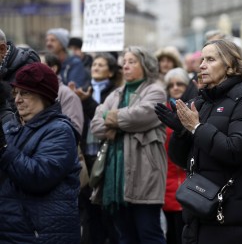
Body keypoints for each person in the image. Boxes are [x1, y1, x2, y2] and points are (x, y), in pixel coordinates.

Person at [156, 39, 242, 244]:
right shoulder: (202, 101)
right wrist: (181, 132)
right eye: (202, 59)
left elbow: (236, 150)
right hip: (197, 208)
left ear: (231, 66)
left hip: (229, 213)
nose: (202, 64)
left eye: (211, 59)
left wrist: (196, 128)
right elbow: (181, 160)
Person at [90, 46, 167, 244]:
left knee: (149, 233)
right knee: (124, 236)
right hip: (115, 178)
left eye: (132, 62)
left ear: (146, 65)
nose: (125, 66)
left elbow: (140, 116)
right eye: (124, 62)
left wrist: (110, 117)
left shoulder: (156, 91)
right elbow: (96, 126)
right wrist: (118, 121)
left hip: (145, 174)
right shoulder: (116, 94)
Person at [0, 62, 81, 243]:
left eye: (25, 93)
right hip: (14, 232)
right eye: (15, 93)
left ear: (44, 96)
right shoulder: (15, 128)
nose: (17, 99)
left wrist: (3, 148)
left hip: (41, 234)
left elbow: (38, 176)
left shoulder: (60, 130)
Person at [72, 52, 120, 244]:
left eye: (101, 65)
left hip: (107, 154)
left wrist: (88, 102)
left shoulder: (116, 92)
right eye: (94, 65)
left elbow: (105, 119)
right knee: (89, 209)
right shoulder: (84, 90)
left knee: (107, 209)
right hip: (87, 155)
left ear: (110, 72)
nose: (96, 68)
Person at [162, 68, 189, 244]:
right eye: (171, 85)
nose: (175, 87)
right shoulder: (163, 111)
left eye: (180, 84)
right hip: (167, 177)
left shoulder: (193, 109)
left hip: (185, 177)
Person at [43, 52, 84, 136]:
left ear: (53, 69)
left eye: (40, 65)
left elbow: (74, 129)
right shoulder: (32, 94)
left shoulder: (68, 95)